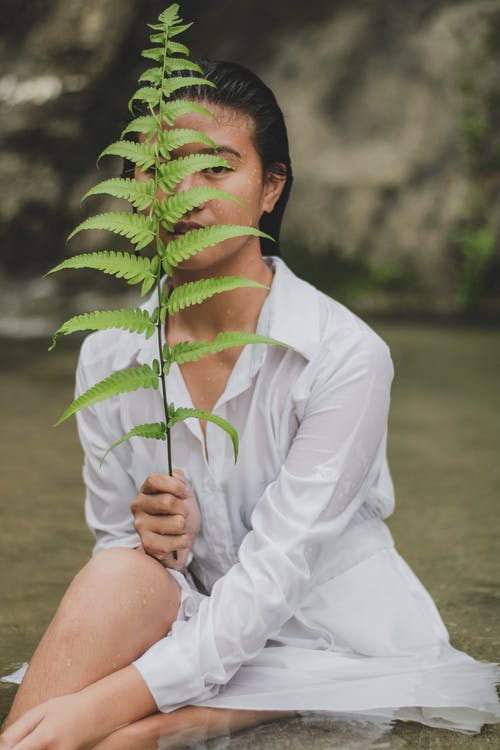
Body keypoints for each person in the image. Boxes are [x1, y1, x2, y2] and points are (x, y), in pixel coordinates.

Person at [1, 59, 499, 750]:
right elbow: (116, 560)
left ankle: (203, 716)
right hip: (196, 622)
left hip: (330, 641)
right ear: (140, 184)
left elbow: (273, 576)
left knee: (112, 737)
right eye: (166, 167)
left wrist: (101, 707)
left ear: (270, 187)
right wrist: (158, 542)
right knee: (118, 574)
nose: (187, 192)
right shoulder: (108, 356)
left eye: (217, 168)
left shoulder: (343, 355)